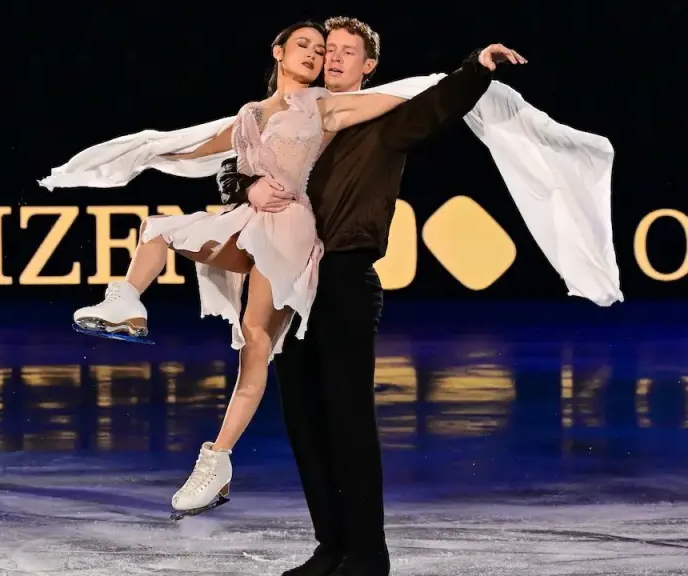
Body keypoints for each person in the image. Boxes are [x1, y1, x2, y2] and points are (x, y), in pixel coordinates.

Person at [70, 20, 504, 522]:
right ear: (277, 52)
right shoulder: (252, 114)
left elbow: (411, 101)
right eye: (311, 46)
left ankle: (221, 461)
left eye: (327, 51)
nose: (320, 56)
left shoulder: (325, 107)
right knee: (163, 237)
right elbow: (204, 151)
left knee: (263, 350)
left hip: (292, 232)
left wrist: (470, 73)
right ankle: (130, 311)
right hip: (253, 217)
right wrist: (145, 154)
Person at [215, 17, 524, 576]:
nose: (332, 58)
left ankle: (366, 552)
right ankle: (330, 547)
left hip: (342, 281)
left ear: (369, 66)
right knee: (304, 421)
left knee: (347, 419)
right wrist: (242, 186)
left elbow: (434, 106)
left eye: (346, 52)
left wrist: (476, 67)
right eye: (327, 50)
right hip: (284, 281)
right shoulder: (292, 119)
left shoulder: (383, 122)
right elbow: (235, 162)